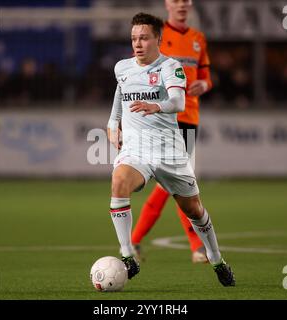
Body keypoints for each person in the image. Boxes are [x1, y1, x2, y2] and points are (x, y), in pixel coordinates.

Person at [107, 12, 235, 286]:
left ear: (158, 40)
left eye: (143, 38)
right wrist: (112, 122)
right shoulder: (122, 67)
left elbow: (178, 101)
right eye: (133, 38)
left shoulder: (170, 67)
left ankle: (216, 259)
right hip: (136, 149)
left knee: (195, 210)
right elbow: (120, 92)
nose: (137, 44)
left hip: (170, 152)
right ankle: (128, 254)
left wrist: (156, 106)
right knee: (118, 181)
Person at [131, 0, 212, 263]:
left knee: (174, 183)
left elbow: (206, 76)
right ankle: (196, 246)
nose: (182, 5)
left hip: (189, 118)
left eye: (186, 1)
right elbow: (138, 73)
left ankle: (135, 242)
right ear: (167, 4)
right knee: (178, 182)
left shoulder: (198, 39)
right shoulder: (154, 36)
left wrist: (204, 84)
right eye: (176, 0)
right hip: (163, 118)